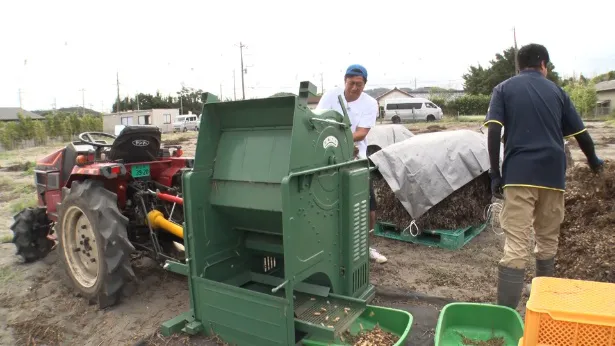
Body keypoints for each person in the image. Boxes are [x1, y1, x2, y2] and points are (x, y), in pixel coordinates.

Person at [484, 43, 603, 309]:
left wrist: (495, 173)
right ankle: (543, 309)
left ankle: (507, 317)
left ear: (518, 66)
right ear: (544, 65)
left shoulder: (503, 89)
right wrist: (596, 164)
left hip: (518, 175)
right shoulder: (558, 92)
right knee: (548, 242)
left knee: (516, 244)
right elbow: (582, 135)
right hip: (553, 176)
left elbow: (493, 131)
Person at [316, 64, 388, 264]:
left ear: (365, 84)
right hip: (329, 160)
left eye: (359, 84)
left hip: (357, 161)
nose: (355, 88)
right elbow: (317, 122)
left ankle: (365, 246)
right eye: (351, 83)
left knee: (368, 208)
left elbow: (361, 133)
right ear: (344, 81)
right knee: (328, 205)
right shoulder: (331, 96)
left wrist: (341, 141)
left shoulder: (370, 103)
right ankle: (331, 248)